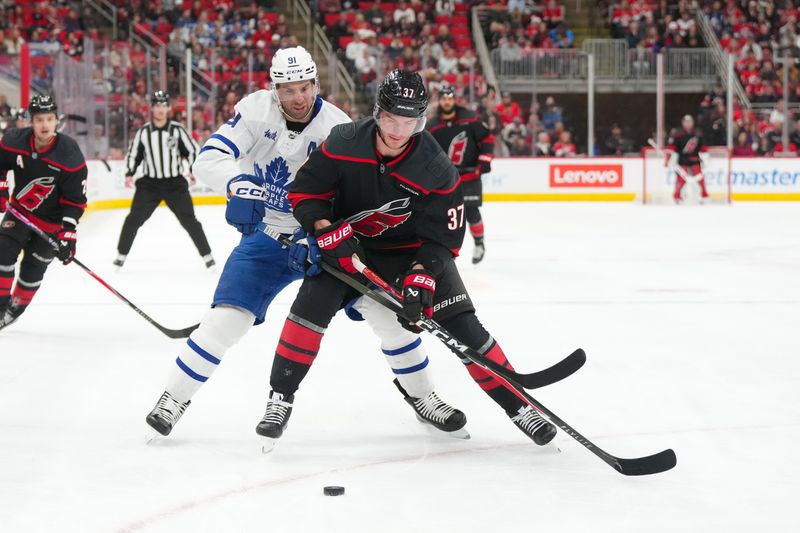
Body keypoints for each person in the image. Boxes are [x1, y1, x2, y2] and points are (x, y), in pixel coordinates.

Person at [144, 48, 465, 441]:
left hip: (325, 237)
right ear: (273, 88)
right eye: (288, 89)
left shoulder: (338, 125)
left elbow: (355, 199)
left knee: (391, 320)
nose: (298, 97)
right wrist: (239, 184)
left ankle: (424, 396)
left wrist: (327, 237)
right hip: (267, 237)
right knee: (225, 321)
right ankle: (173, 398)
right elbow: (209, 158)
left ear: (317, 83)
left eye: (305, 86)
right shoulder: (255, 110)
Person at [256, 69, 557, 448]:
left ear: (421, 120)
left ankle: (521, 407)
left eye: (409, 121)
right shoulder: (344, 142)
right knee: (308, 311)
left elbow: (444, 236)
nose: (399, 131)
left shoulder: (435, 166)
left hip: (411, 255)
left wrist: (422, 273)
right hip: (349, 248)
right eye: (391, 120)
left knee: (464, 328)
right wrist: (322, 226)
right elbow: (306, 191)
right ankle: (280, 397)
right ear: (378, 113)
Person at [0, 95, 87, 330]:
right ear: (31, 121)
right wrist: (1, 187)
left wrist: (68, 235)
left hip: (51, 226)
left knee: (31, 272)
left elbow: (75, 200)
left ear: (56, 120)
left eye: (50, 119)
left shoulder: (69, 153)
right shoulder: (14, 141)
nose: (45, 125)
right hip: (19, 213)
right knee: (2, 255)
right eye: (39, 119)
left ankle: (14, 309)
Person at [113, 90, 214, 269]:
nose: (160, 109)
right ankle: (121, 255)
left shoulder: (177, 130)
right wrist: (129, 173)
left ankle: (207, 256)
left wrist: (192, 169)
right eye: (157, 105)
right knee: (133, 219)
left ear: (168, 108)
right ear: (152, 108)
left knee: (190, 220)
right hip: (150, 184)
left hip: (174, 184)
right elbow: (134, 154)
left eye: (163, 105)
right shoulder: (143, 132)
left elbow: (191, 151)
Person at [427, 85, 494, 265]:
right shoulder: (432, 126)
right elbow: (426, 152)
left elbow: (487, 138)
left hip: (469, 176)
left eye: (450, 98)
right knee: (444, 216)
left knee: (471, 211)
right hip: (446, 179)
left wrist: (485, 159)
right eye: (444, 99)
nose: (447, 102)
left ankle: (479, 244)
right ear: (439, 101)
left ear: (454, 99)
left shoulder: (470, 118)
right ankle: (445, 251)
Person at [666, 115, 709, 203]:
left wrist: (706, 159)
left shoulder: (698, 133)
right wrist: (668, 159)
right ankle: (677, 196)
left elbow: (703, 148)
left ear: (693, 123)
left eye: (690, 122)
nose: (688, 124)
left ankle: (704, 195)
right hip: (682, 161)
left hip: (695, 160)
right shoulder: (677, 134)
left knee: (700, 177)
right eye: (686, 122)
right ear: (682, 123)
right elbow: (672, 148)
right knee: (681, 179)